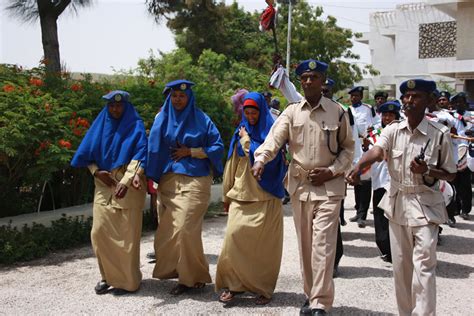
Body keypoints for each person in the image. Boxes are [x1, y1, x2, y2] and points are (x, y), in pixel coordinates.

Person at [252, 59, 354, 315]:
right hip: (300, 186)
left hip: (329, 187)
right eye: (304, 78)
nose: (308, 81)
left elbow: (348, 149)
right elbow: (274, 139)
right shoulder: (291, 111)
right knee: (306, 246)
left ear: (323, 82)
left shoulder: (338, 111)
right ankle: (310, 296)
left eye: (313, 77)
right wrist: (261, 159)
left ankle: (320, 302)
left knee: (323, 245)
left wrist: (331, 171)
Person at [347, 79, 456, 316]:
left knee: (425, 265)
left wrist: (426, 170)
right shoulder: (392, 129)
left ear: (428, 101)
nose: (408, 100)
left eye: (415, 96)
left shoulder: (440, 134)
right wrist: (359, 167)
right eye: (406, 96)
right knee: (401, 268)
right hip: (397, 204)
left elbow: (451, 174)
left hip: (425, 205)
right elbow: (377, 150)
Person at [146, 79, 224, 295]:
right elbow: (153, 148)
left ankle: (190, 278)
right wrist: (151, 175)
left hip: (196, 179)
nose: (178, 100)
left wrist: (191, 151)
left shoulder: (202, 119)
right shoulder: (162, 119)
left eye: (182, 96)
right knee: (169, 230)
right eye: (175, 96)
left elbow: (217, 147)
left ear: (189, 98)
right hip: (168, 181)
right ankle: (188, 275)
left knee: (185, 227)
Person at [71, 90, 148, 296]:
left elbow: (141, 154)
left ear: (126, 106)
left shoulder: (135, 126)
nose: (115, 109)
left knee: (126, 237)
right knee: (99, 233)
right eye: (112, 106)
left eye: (119, 105)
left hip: (128, 185)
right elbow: (87, 155)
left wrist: (126, 180)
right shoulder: (100, 125)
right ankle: (107, 277)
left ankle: (128, 281)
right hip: (103, 185)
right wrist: (96, 172)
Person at [215, 92, 286, 305]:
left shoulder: (272, 134)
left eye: (254, 111)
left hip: (266, 196)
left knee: (264, 247)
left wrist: (247, 142)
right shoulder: (240, 131)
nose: (251, 115)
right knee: (233, 239)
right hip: (241, 194)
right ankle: (233, 286)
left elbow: (270, 160)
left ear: (261, 111)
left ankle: (262, 288)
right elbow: (232, 163)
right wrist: (226, 194)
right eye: (247, 111)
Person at [369, 100, 401, 263]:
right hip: (380, 181)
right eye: (385, 115)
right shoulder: (373, 133)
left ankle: (398, 249)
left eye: (391, 115)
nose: (388, 117)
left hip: (397, 182)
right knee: (381, 218)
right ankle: (385, 249)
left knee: (396, 217)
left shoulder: (403, 132)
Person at [348, 86, 377, 228]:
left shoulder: (368, 109)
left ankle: (362, 214)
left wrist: (372, 133)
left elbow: (378, 124)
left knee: (365, 181)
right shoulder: (347, 110)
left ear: (361, 96)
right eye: (352, 96)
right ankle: (357, 209)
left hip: (366, 146)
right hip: (353, 147)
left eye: (357, 95)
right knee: (355, 179)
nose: (354, 98)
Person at [450, 92, 472, 220]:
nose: (459, 104)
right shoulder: (452, 117)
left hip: (467, 153)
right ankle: (456, 208)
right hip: (454, 153)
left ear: (465, 103)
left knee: (465, 184)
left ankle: (466, 209)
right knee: (454, 182)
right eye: (456, 102)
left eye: (461, 101)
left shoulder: (471, 116)